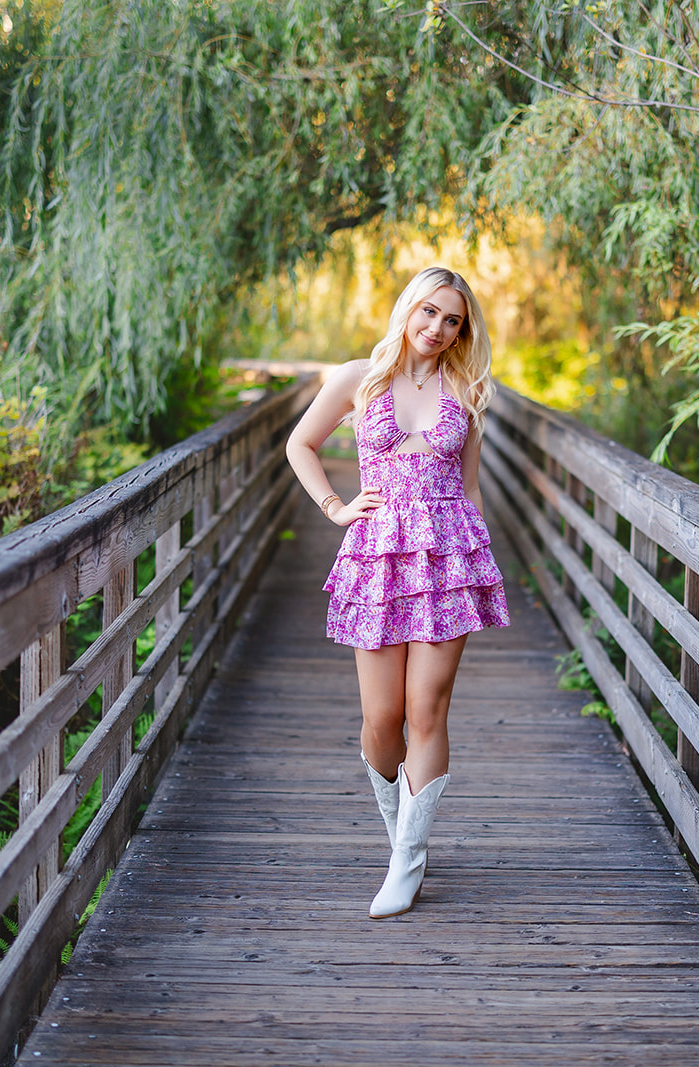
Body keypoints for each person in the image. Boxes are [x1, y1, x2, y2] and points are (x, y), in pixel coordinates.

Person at [285, 266, 510, 919]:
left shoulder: (465, 391)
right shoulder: (361, 376)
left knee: (425, 712)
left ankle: (406, 863)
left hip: (446, 555)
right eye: (430, 312)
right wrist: (333, 505)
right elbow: (302, 442)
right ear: (408, 307)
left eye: (453, 320)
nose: (438, 328)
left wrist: (477, 558)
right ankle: (400, 835)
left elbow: (470, 489)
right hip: (378, 554)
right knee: (381, 721)